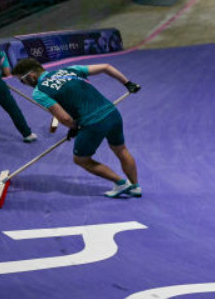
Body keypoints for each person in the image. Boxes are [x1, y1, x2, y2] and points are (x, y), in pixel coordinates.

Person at [12, 58, 142, 198]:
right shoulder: (70, 69)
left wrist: (73, 127)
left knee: (81, 160)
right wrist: (128, 83)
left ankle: (121, 183)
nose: (23, 84)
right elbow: (106, 66)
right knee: (121, 150)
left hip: (92, 123)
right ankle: (135, 187)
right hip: (112, 113)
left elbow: (64, 118)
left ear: (31, 76)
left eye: (22, 81)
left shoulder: (39, 92)